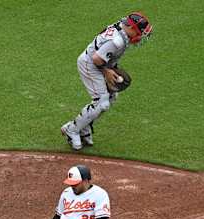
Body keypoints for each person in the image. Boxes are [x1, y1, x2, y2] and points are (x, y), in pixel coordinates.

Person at [61, 12, 153, 150]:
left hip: (101, 63)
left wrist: (112, 69)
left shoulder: (123, 30)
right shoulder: (118, 41)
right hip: (90, 64)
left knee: (111, 97)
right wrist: (107, 71)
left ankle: (84, 129)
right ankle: (72, 129)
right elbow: (96, 59)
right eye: (140, 32)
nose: (140, 37)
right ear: (132, 28)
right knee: (101, 102)